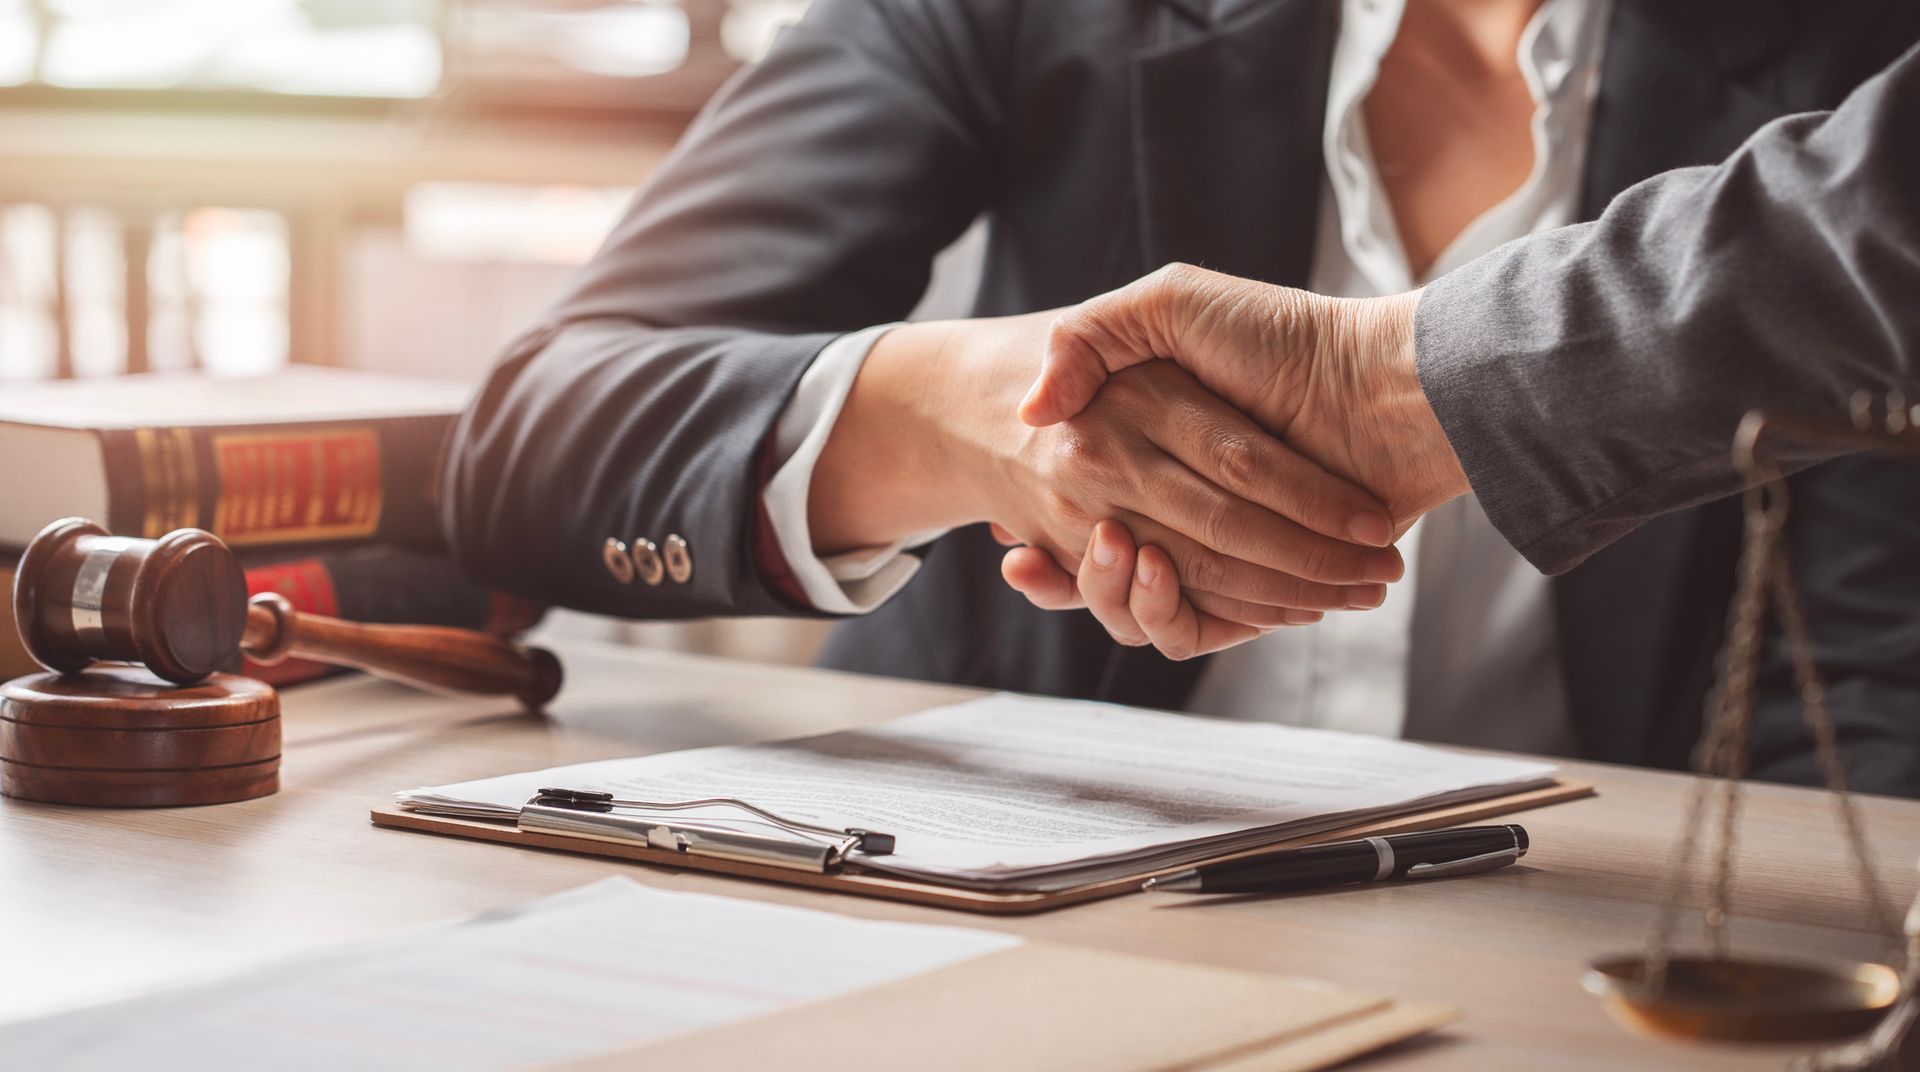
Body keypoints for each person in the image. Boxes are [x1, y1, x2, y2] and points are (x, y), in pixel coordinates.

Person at [439, 0, 1920, 790]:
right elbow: (537, 438)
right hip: (1018, 930)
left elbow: (1862, 704)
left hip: (1560, 965)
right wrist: (965, 413)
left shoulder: (1859, 75)